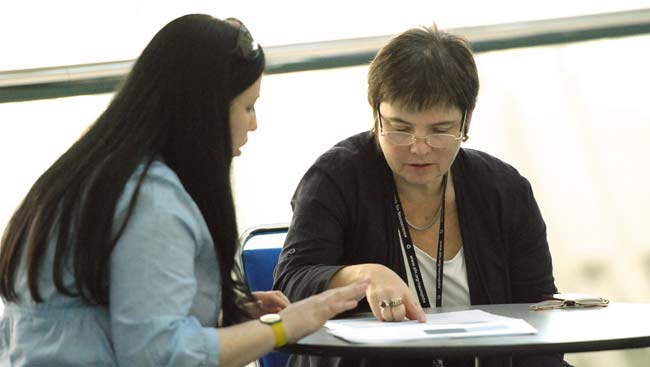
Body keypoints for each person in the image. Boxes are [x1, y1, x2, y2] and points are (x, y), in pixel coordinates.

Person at [0, 14, 368, 367]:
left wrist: (223, 314)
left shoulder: (97, 175)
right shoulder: (149, 202)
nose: (254, 124)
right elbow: (159, 356)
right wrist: (287, 324)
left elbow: (114, 318)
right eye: (248, 106)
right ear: (204, 112)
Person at [273, 24, 567, 367]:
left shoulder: (504, 190)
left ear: (466, 120)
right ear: (375, 112)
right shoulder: (336, 178)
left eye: (440, 131)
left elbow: (539, 311)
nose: (419, 148)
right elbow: (291, 285)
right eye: (400, 128)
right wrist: (363, 275)